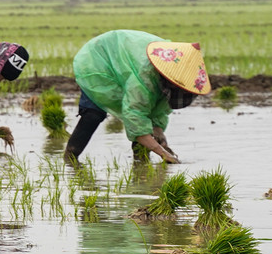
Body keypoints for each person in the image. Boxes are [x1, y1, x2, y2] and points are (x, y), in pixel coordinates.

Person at [63, 30, 211, 165]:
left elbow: (158, 111)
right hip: (99, 61)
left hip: (128, 66)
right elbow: (135, 118)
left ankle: (141, 168)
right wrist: (163, 153)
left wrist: (160, 136)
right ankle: (70, 158)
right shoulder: (144, 80)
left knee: (146, 125)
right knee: (93, 114)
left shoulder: (178, 72)